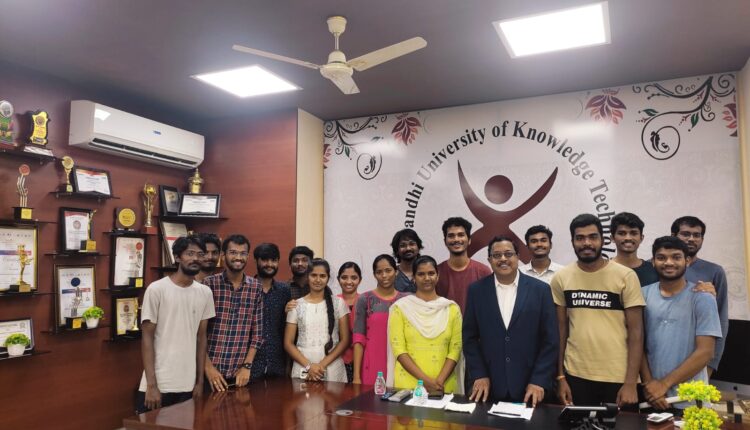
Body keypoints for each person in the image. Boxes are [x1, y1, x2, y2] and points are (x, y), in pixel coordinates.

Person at [552, 214, 645, 407]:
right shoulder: (561, 278)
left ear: (603, 240)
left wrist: (630, 383)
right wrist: (560, 377)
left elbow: (636, 333)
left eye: (593, 237)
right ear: (572, 241)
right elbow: (561, 330)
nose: (586, 243)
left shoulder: (626, 276)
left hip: (618, 377)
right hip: (576, 374)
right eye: (580, 238)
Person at [463, 236, 558, 405]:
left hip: (531, 387)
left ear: (518, 257)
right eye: (497, 255)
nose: (503, 259)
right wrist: (479, 374)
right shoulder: (476, 291)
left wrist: (539, 379)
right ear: (489, 260)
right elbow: (469, 338)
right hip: (489, 386)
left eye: (508, 254)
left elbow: (550, 340)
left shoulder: (540, 290)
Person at [640, 236, 722, 411]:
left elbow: (706, 352)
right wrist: (650, 385)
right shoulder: (642, 295)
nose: (669, 262)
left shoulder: (703, 298)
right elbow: (637, 344)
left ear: (687, 261)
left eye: (676, 257)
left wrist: (664, 384)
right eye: (661, 257)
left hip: (690, 400)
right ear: (653, 262)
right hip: (651, 398)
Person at [136, 235, 215, 414]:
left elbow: (201, 339)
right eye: (190, 253)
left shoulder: (205, 293)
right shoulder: (156, 289)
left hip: (188, 385)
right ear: (178, 257)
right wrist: (151, 385)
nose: (196, 258)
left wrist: (199, 382)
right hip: (159, 384)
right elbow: (147, 338)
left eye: (200, 254)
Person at [387, 255, 463, 394]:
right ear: (414, 278)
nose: (427, 278)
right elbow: (399, 349)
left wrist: (439, 382)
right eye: (421, 274)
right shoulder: (401, 308)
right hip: (408, 386)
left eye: (431, 273)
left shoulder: (451, 309)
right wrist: (426, 382)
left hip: (444, 386)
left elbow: (456, 349)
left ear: (437, 276)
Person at [203, 234, 263, 392]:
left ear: (248, 256)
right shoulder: (209, 285)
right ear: (223, 255)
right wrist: (208, 367)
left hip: (239, 376)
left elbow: (257, 334)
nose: (238, 257)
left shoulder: (255, 287)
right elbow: (197, 332)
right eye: (233, 252)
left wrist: (246, 366)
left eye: (243, 253)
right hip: (208, 374)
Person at [671, 216, 729, 375]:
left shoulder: (714, 271)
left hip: (697, 359)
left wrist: (711, 363)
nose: (691, 239)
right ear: (673, 235)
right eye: (685, 234)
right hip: (657, 355)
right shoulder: (654, 266)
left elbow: (721, 320)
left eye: (697, 235)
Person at [284, 258, 350, 382]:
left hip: (332, 368)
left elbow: (345, 340)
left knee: (334, 396)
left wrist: (321, 365)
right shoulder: (296, 305)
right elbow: (288, 343)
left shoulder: (338, 303)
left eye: (322, 276)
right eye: (314, 275)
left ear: (328, 278)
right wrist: (309, 366)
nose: (318, 280)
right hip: (303, 368)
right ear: (307, 277)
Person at [352, 255, 408, 385]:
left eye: (388, 270)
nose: (384, 275)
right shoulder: (365, 299)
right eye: (379, 272)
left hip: (400, 362)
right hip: (372, 362)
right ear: (374, 275)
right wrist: (356, 377)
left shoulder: (405, 300)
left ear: (396, 271)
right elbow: (359, 339)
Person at [251, 243, 292, 381]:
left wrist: (288, 364)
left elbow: (286, 328)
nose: (269, 264)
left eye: (273, 260)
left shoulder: (284, 290)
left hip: (277, 364)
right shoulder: (247, 289)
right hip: (250, 366)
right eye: (265, 260)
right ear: (256, 261)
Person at [436, 217, 492, 313]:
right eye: (451, 236)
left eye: (461, 235)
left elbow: (489, 305)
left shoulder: (483, 271)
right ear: (445, 241)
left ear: (469, 240)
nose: (456, 239)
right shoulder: (436, 272)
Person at [610, 212, 658, 287]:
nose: (628, 238)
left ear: (641, 238)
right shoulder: (603, 269)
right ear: (612, 238)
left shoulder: (653, 270)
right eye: (622, 233)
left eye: (633, 233)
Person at [336, 261, 362, 383]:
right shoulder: (333, 302)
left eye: (354, 278)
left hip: (361, 358)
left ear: (360, 280)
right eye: (344, 277)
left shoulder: (365, 301)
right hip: (337, 359)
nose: (349, 282)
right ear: (338, 279)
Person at [390, 228, 423, 293]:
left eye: (412, 244)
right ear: (397, 250)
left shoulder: (427, 272)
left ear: (418, 247)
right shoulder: (391, 274)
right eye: (403, 245)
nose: (408, 248)